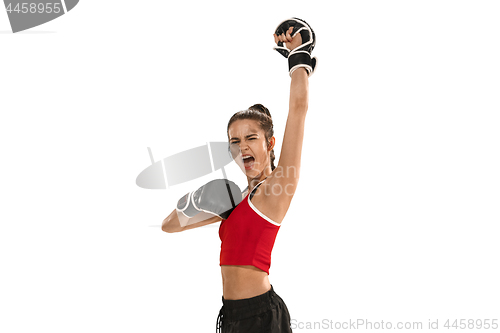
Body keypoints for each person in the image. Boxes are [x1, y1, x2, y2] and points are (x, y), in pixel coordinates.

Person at [161, 17, 316, 333]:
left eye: (251, 138)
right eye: (234, 141)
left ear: (270, 143)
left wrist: (299, 56)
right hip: (231, 316)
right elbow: (168, 227)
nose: (242, 146)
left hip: (260, 317)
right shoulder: (235, 201)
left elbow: (298, 110)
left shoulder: (279, 185)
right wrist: (195, 200)